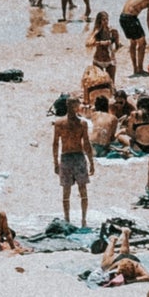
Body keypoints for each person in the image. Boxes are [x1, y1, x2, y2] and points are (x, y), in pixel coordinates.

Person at [53, 94, 95, 226]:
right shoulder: (81, 123)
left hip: (67, 157)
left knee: (67, 191)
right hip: (77, 157)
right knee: (82, 190)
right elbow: (86, 144)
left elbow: (55, 144)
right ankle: (83, 219)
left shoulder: (60, 123)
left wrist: (55, 162)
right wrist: (91, 162)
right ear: (75, 107)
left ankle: (68, 219)